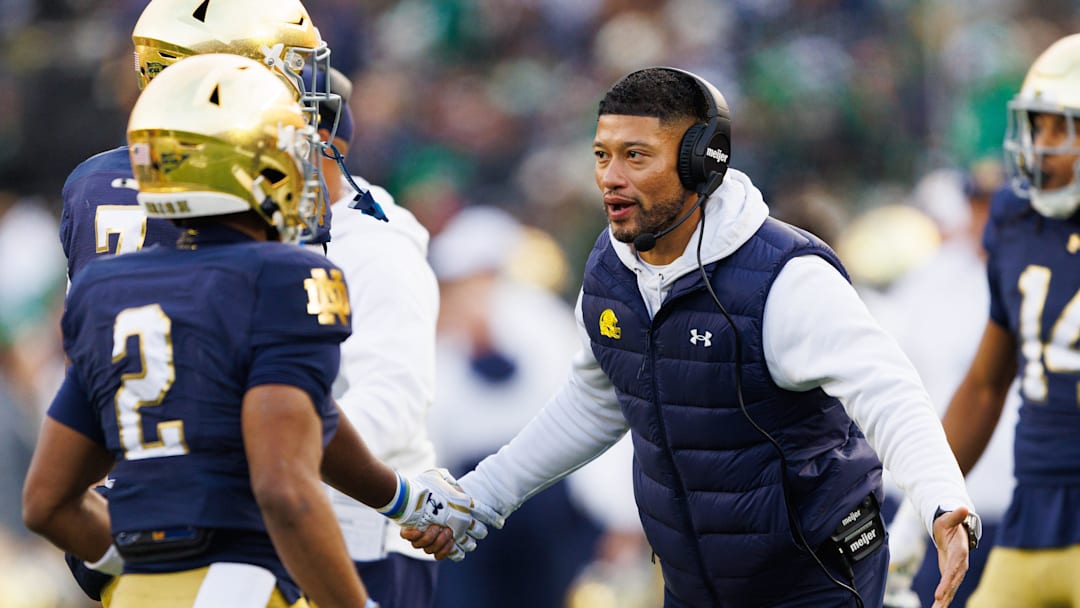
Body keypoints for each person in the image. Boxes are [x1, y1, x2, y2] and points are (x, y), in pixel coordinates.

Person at [408, 66, 982, 608]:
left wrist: (941, 497)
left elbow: (888, 390)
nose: (611, 176)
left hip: (812, 581)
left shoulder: (787, 277)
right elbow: (593, 403)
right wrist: (481, 497)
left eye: (636, 156)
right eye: (603, 155)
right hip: (693, 585)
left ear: (700, 164)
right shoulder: (611, 268)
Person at [22, 54, 479, 608]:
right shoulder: (288, 275)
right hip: (247, 582)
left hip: (140, 590)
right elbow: (285, 489)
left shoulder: (106, 288)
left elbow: (46, 501)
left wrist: (127, 566)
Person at [937, 33, 1080, 607]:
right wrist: (932, 501)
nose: (1041, 146)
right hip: (1031, 519)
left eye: (1060, 128)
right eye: (1038, 125)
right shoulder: (1018, 221)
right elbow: (985, 384)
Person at [308, 65, 445, 608]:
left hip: (359, 543)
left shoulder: (374, 247)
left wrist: (270, 457)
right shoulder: (260, 233)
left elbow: (394, 400)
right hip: (275, 521)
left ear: (314, 138)